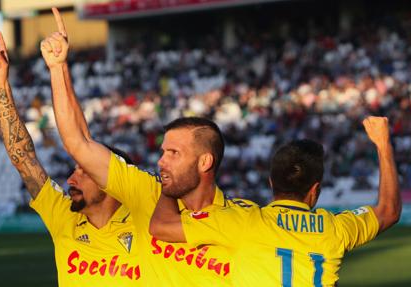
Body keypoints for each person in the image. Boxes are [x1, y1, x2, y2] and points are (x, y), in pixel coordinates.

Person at [41, 7, 255, 286]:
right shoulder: (147, 194)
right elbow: (79, 143)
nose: (162, 161)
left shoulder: (243, 220)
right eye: (163, 152)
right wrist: (58, 69)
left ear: (205, 162)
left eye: (174, 154)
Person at [149, 116, 402, 286]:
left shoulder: (241, 221)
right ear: (315, 190)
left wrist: (168, 180)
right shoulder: (335, 228)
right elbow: (389, 210)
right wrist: (382, 143)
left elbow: (160, 227)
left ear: (271, 183)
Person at [0, 31, 140, 286]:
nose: (70, 178)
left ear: (111, 180)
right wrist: (0, 87)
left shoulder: (148, 221)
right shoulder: (64, 217)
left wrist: (59, 67)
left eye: (83, 171)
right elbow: (23, 159)